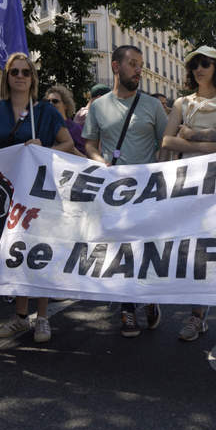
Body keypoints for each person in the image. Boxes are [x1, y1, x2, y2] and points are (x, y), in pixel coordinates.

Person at [0, 53, 74, 344]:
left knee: (40, 251)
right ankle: (20, 316)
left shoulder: (45, 112)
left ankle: (41, 317)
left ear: (32, 78)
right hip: (9, 191)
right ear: (7, 77)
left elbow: (67, 142)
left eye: (25, 72)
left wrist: (45, 148)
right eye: (14, 72)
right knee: (15, 251)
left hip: (41, 190)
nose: (20, 76)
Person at [159, 45, 216, 346]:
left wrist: (192, 136)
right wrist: (206, 144)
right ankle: (198, 314)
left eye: (206, 63)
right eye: (195, 64)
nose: (200, 68)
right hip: (192, 184)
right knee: (197, 249)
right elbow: (168, 139)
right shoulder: (182, 102)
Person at [83, 45, 168, 338]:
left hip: (147, 193)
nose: (138, 69)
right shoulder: (98, 106)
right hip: (114, 192)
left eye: (140, 64)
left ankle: (148, 297)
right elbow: (90, 143)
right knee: (120, 250)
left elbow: (166, 145)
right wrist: (98, 161)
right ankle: (127, 308)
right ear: (116, 67)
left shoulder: (153, 106)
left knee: (144, 248)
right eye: (132, 63)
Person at [44, 84, 86, 156]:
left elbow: (86, 159)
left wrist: (69, 147)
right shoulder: (43, 128)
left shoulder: (76, 129)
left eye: (55, 101)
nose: (50, 104)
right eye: (48, 101)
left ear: (65, 105)